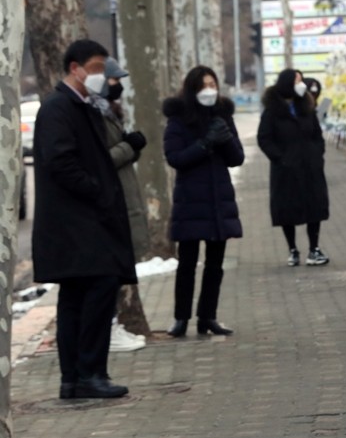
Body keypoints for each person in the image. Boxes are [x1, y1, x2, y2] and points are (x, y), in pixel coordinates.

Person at [32, 39, 137, 399]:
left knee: (80, 297)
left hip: (85, 222)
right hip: (76, 223)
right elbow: (61, 163)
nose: (99, 75)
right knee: (94, 291)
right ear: (74, 68)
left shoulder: (85, 106)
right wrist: (97, 190)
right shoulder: (58, 107)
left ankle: (76, 378)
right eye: (93, 68)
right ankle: (87, 373)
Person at [163, 66, 244, 337]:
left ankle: (207, 316)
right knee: (187, 263)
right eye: (204, 86)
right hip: (190, 201)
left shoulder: (222, 116)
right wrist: (205, 143)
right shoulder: (178, 120)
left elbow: (237, 158)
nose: (210, 90)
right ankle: (181, 318)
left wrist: (225, 138)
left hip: (218, 200)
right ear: (192, 89)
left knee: (215, 264)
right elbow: (175, 158)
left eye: (213, 84)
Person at [90, 57, 149, 353]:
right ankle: (108, 330)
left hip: (121, 196)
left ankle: (113, 326)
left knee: (116, 271)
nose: (118, 86)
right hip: (110, 201)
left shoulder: (109, 111)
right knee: (108, 273)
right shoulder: (95, 114)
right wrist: (130, 146)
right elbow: (103, 159)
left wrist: (130, 146)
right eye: (114, 80)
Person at [258, 69, 330, 266]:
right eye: (297, 81)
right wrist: (280, 158)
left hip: (310, 166)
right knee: (287, 208)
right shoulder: (273, 111)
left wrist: (317, 154)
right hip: (286, 169)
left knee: (314, 206)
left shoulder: (306, 107)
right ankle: (292, 248)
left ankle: (314, 248)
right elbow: (264, 138)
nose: (302, 85)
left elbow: (316, 134)